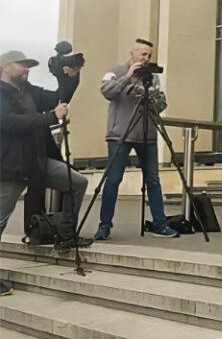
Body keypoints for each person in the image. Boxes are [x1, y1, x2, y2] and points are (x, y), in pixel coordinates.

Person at [0, 50, 92, 295]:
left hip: (38, 161)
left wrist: (70, 79)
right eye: (23, 65)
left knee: (77, 182)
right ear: (6, 67)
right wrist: (50, 118)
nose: (27, 69)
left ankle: (65, 235)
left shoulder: (27, 90)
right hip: (10, 166)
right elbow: (9, 122)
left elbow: (57, 99)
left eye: (29, 66)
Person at [93, 39, 179, 240]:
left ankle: (160, 223)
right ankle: (105, 225)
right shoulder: (116, 71)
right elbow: (107, 91)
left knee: (153, 181)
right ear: (132, 53)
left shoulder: (152, 77)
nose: (146, 58)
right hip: (120, 134)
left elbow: (160, 105)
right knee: (113, 180)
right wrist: (128, 76)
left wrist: (153, 96)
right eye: (143, 54)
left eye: (149, 55)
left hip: (147, 134)